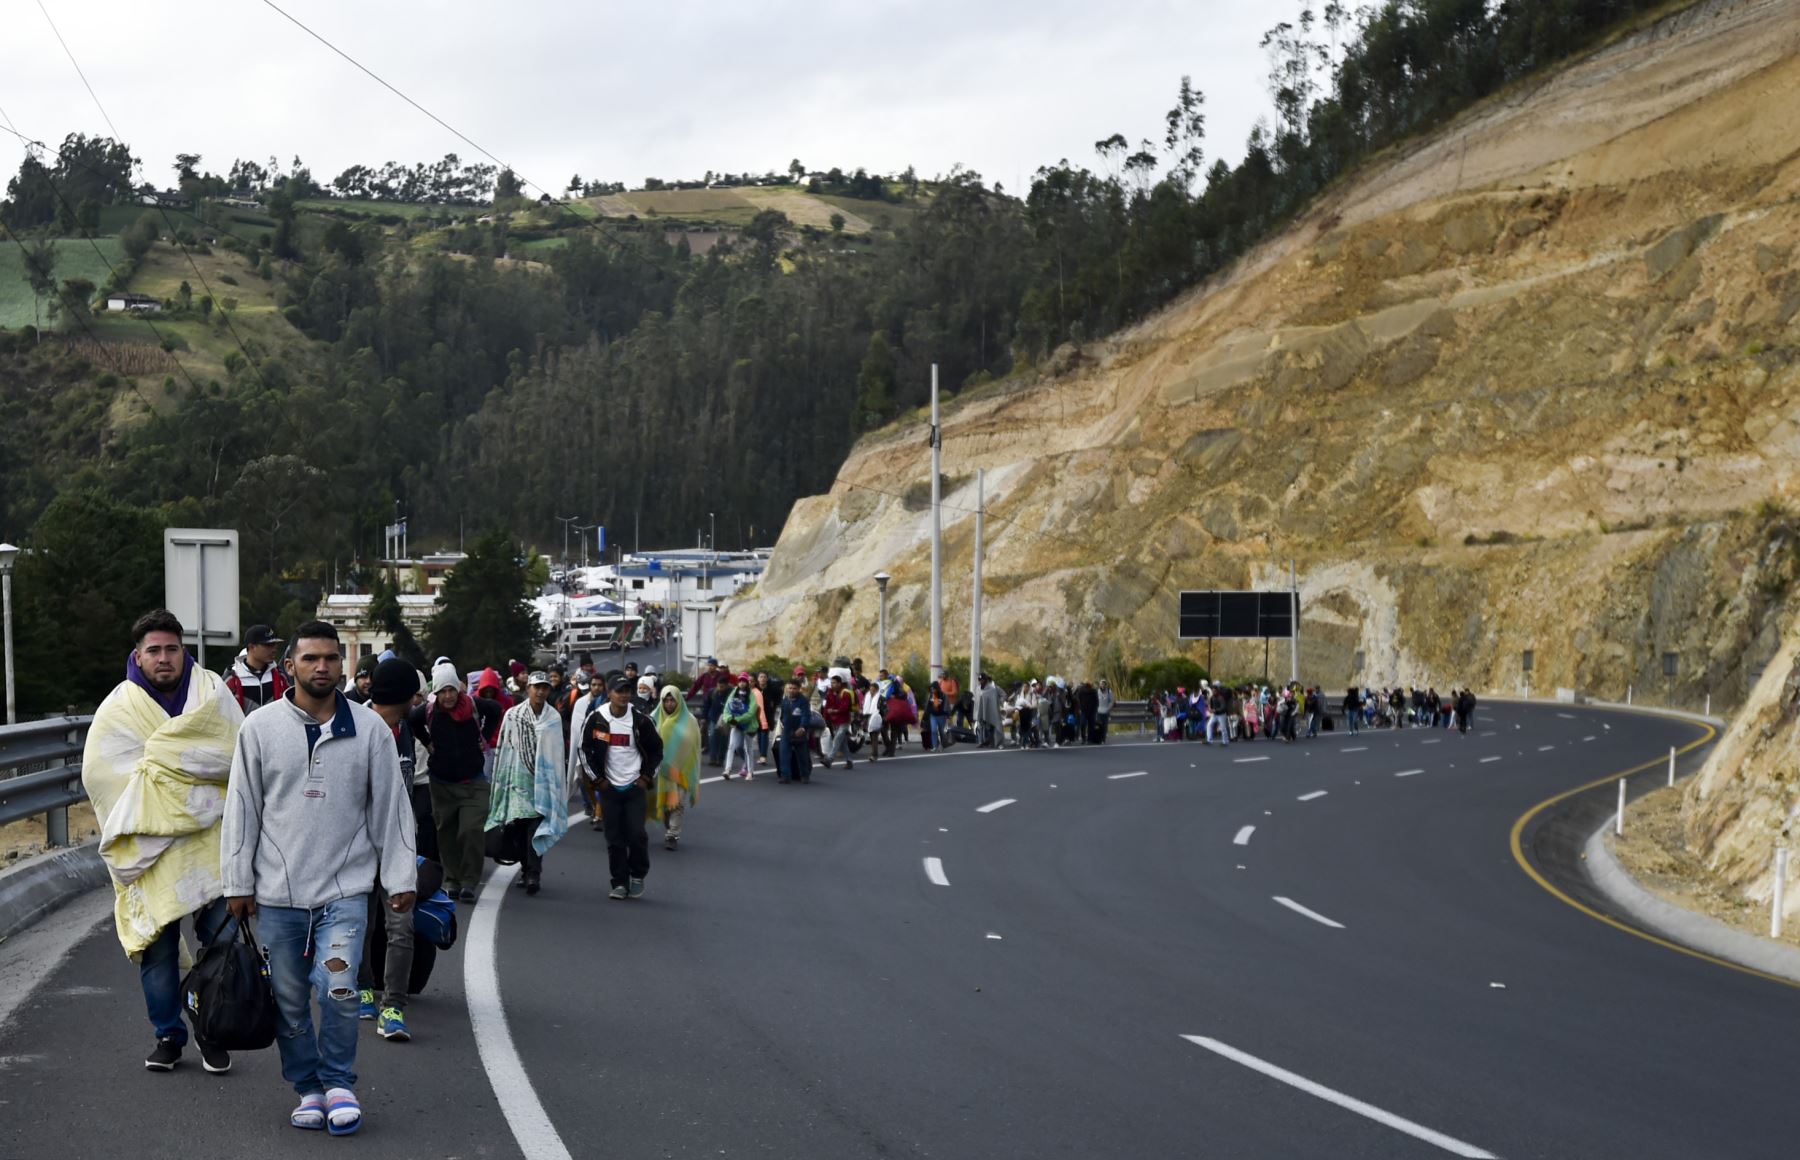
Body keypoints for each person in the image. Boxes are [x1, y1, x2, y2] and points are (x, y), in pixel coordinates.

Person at [222, 620, 416, 1135]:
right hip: (279, 895)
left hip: (344, 893)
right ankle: (306, 1087)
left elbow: (392, 810)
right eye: (310, 658)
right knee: (288, 999)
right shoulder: (259, 728)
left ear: (344, 666)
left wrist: (400, 879)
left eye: (331, 658)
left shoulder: (371, 731)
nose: (323, 666)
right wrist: (237, 883)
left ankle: (337, 1082)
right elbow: (241, 809)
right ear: (290, 667)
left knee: (339, 987)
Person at [82, 609, 245, 1074]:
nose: (164, 658)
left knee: (223, 943)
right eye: (154, 650)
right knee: (158, 949)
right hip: (151, 850)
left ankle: (213, 1032)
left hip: (212, 841)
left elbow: (235, 753)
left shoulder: (212, 694)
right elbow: (102, 773)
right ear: (138, 656)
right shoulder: (118, 709)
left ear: (183, 652)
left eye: (172, 649)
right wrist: (172, 783)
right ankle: (168, 1036)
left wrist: (166, 775)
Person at [356, 658, 437, 1042]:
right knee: (363, 925)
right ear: (404, 695)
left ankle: (394, 1006)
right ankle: (364, 989)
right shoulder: (355, 727)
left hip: (398, 845)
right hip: (357, 846)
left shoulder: (405, 728)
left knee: (401, 927)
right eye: (414, 693)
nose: (418, 699)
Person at [410, 661, 503, 903]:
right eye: (443, 691)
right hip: (442, 783)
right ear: (436, 693)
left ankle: (470, 881)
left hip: (473, 781)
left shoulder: (472, 705)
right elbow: (411, 720)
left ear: (459, 690)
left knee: (470, 831)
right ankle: (452, 880)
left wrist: (483, 735)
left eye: (452, 690)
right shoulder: (429, 712)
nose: (448, 696)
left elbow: (495, 709)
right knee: (447, 833)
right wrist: (427, 741)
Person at [580, 675, 665, 899]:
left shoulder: (641, 721)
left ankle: (637, 874)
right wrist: (598, 780)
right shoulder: (597, 718)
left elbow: (657, 751)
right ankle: (619, 881)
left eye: (628, 690)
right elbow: (584, 749)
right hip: (609, 788)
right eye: (620, 691)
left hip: (634, 786)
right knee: (614, 838)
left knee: (636, 834)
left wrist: (645, 777)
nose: (625, 695)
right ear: (609, 693)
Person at [485, 672, 567, 896]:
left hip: (542, 783)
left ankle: (534, 873)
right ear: (528, 689)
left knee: (536, 828)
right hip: (517, 782)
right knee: (519, 828)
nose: (540, 691)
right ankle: (526, 868)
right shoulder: (513, 716)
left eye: (544, 688)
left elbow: (557, 754)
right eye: (536, 687)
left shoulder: (553, 718)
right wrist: (501, 780)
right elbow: (504, 748)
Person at [650, 685, 700, 851]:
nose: (669, 704)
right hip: (659, 770)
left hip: (681, 770)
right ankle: (670, 826)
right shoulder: (653, 718)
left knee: (677, 802)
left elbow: (693, 746)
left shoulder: (690, 720)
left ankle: (672, 834)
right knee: (665, 805)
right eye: (666, 700)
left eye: (673, 700)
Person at [224, 623, 289, 713]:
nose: (274, 649)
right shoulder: (232, 679)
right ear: (252, 647)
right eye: (268, 645)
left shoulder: (280, 677)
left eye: (275, 644)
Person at [565, 671, 602, 829]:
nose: (596, 688)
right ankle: (592, 805)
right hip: (583, 747)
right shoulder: (581, 703)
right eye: (594, 684)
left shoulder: (607, 702)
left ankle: (599, 812)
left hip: (602, 749)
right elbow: (576, 726)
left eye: (600, 685)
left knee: (600, 781)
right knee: (582, 777)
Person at [720, 675, 760, 780]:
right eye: (740, 681)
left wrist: (738, 719)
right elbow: (727, 709)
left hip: (748, 726)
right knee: (733, 746)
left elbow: (751, 713)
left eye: (744, 681)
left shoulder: (751, 695)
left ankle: (750, 772)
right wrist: (729, 719)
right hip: (736, 725)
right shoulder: (734, 693)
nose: (742, 683)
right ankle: (727, 770)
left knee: (748, 748)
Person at [777, 680, 813, 783]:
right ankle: (785, 776)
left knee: (802, 756)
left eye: (794, 688)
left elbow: (806, 715)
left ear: (798, 689)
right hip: (787, 731)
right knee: (784, 754)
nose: (792, 690)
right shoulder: (785, 700)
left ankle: (805, 775)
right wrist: (782, 724)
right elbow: (782, 714)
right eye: (790, 688)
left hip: (799, 731)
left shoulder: (803, 701)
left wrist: (802, 728)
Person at [819, 673, 855, 769]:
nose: (832, 684)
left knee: (837, 739)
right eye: (831, 682)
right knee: (842, 743)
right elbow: (827, 706)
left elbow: (845, 707)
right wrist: (825, 717)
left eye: (834, 683)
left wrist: (834, 711)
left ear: (840, 683)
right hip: (835, 721)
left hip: (844, 720)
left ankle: (829, 760)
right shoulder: (830, 693)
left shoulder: (845, 693)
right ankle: (849, 761)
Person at [975, 673, 1002, 748]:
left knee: (989, 727)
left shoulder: (992, 689)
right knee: (980, 727)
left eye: (982, 680)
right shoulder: (978, 689)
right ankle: (981, 742)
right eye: (979, 680)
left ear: (986, 680)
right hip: (980, 711)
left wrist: (998, 703)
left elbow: (995, 699)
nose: (981, 681)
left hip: (989, 711)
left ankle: (990, 742)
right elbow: (977, 700)